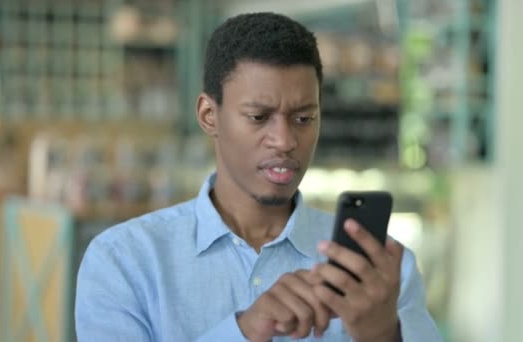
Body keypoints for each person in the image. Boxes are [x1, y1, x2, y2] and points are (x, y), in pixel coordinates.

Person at [75, 12, 441, 342]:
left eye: (303, 118)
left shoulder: (381, 272)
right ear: (208, 115)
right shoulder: (125, 261)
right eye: (258, 117)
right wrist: (245, 331)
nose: (284, 141)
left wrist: (380, 336)